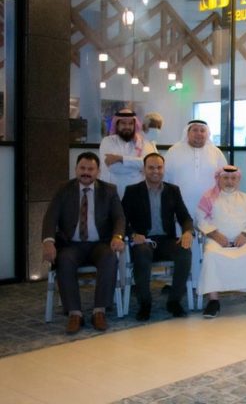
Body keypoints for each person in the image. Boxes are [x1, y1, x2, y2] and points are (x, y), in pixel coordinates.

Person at [41, 152, 125, 334]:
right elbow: (50, 217)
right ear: (76, 169)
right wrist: (48, 241)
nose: (86, 172)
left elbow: (119, 218)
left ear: (98, 171)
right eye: (82, 168)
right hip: (72, 245)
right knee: (64, 260)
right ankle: (75, 314)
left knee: (110, 258)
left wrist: (117, 236)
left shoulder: (109, 190)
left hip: (100, 244)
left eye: (90, 169)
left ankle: (99, 311)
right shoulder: (63, 189)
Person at [121, 153, 194, 321]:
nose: (155, 171)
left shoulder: (173, 190)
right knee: (141, 254)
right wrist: (132, 234)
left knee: (184, 252)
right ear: (144, 170)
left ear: (163, 169)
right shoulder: (132, 191)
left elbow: (185, 217)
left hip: (166, 241)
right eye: (151, 168)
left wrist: (187, 232)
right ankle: (145, 303)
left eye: (159, 167)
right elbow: (121, 220)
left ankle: (174, 301)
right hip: (143, 241)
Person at [196, 165, 246, 318]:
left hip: (243, 241)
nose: (229, 181)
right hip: (217, 241)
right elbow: (200, 219)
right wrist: (215, 235)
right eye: (225, 178)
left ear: (238, 180)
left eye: (233, 178)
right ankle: (213, 301)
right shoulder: (209, 198)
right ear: (219, 179)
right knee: (210, 256)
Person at [164, 120, 228, 218]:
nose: (199, 133)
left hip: (210, 207)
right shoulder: (173, 151)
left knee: (206, 227)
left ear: (207, 134)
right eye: (195, 130)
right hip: (179, 205)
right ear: (187, 132)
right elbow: (164, 177)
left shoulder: (216, 152)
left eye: (202, 130)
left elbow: (225, 178)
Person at [99, 108, 156, 198]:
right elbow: (114, 168)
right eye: (123, 123)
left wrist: (120, 159)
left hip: (137, 195)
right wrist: (138, 167)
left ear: (134, 125)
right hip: (113, 195)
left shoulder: (143, 143)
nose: (127, 127)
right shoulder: (107, 141)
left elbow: (150, 163)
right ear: (117, 125)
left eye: (130, 124)